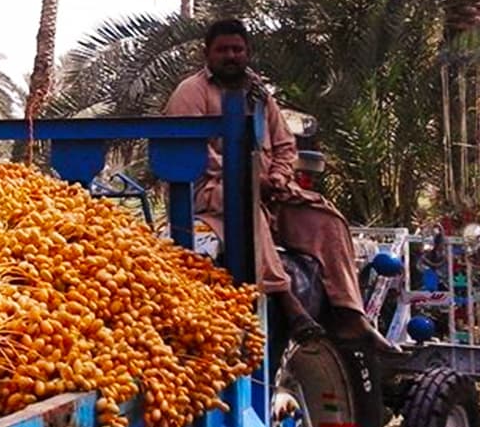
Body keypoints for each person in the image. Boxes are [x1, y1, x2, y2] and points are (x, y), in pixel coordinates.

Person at [164, 19, 398, 352]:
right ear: (207, 53)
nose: (230, 56)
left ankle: (350, 314)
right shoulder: (191, 93)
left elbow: (285, 145)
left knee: (325, 218)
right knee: (243, 206)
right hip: (211, 190)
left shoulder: (258, 93)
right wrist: (251, 180)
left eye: (237, 49)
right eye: (222, 50)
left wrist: (278, 178)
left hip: (269, 191)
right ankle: (287, 301)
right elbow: (191, 154)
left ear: (247, 52)